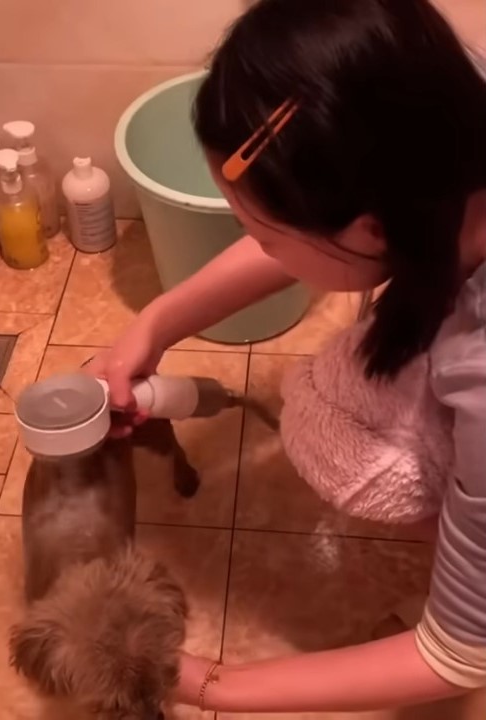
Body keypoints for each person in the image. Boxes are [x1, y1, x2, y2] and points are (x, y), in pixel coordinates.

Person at [86, 0, 486, 712]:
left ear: (370, 229)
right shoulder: (448, 110)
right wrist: (156, 323)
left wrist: (207, 683)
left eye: (263, 235)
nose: (263, 250)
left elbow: (458, 655)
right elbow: (309, 226)